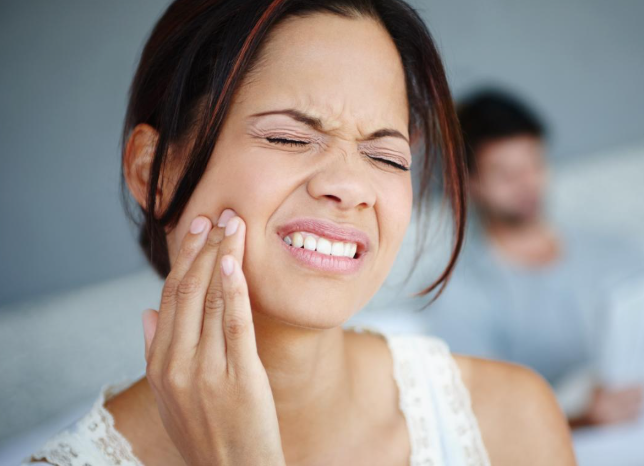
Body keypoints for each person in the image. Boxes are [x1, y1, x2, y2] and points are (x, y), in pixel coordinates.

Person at [22, 2, 576, 465]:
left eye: (386, 156)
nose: (351, 187)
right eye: (288, 138)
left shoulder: (510, 419)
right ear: (154, 172)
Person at [425, 89, 644, 427]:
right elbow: (484, 416)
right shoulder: (464, 291)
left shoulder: (615, 252)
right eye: (506, 174)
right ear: (470, 183)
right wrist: (583, 419)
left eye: (534, 164)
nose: (527, 184)